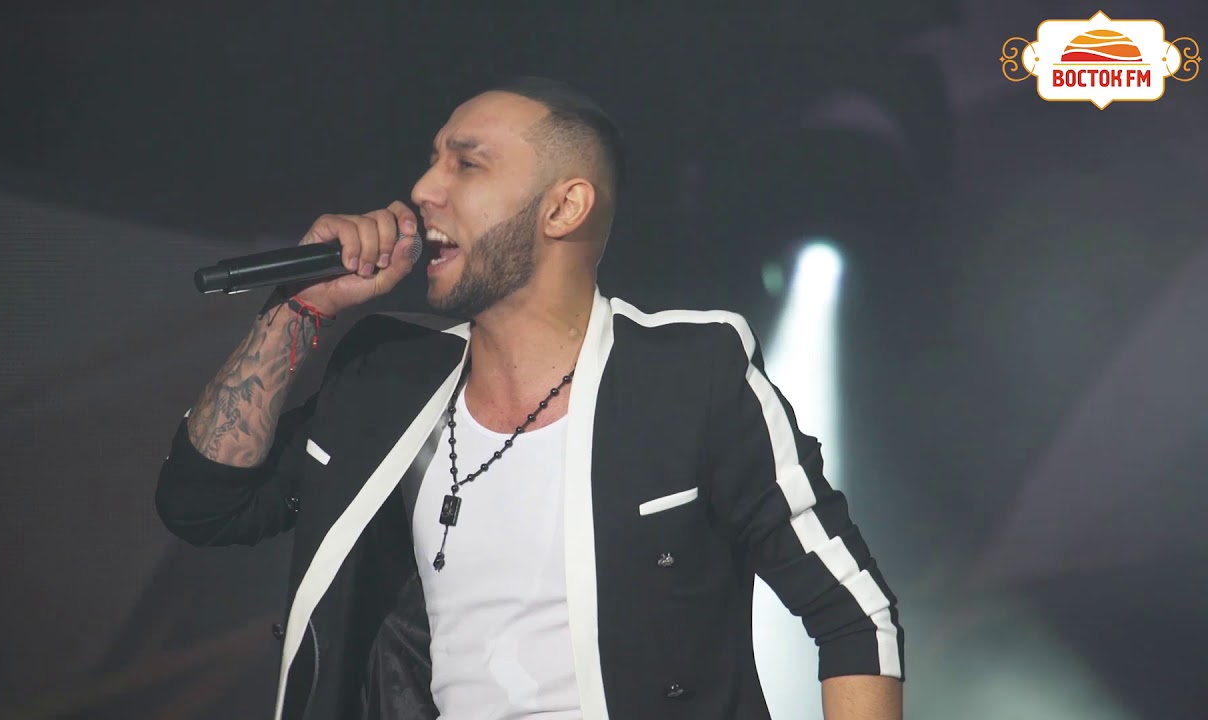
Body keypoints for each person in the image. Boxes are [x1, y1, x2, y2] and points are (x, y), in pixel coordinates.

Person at [155, 76, 905, 720]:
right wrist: (300, 308)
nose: (424, 190)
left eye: (466, 164)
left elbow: (853, 614)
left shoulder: (689, 375)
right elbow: (203, 506)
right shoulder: (386, 380)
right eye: (431, 160)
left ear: (563, 207)